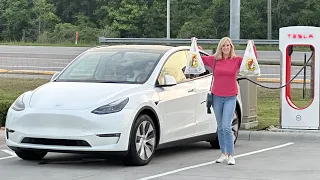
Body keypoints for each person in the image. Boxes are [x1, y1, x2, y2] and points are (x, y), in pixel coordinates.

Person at [198, 37, 257, 165]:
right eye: (223, 45)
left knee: (226, 126)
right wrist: (196, 48)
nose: (226, 47)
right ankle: (223, 153)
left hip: (231, 97)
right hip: (217, 97)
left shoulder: (236, 61)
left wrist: (252, 47)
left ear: (231, 47)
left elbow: (251, 61)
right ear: (220, 47)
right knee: (220, 127)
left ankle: (230, 154)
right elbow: (198, 59)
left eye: (228, 45)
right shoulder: (214, 60)